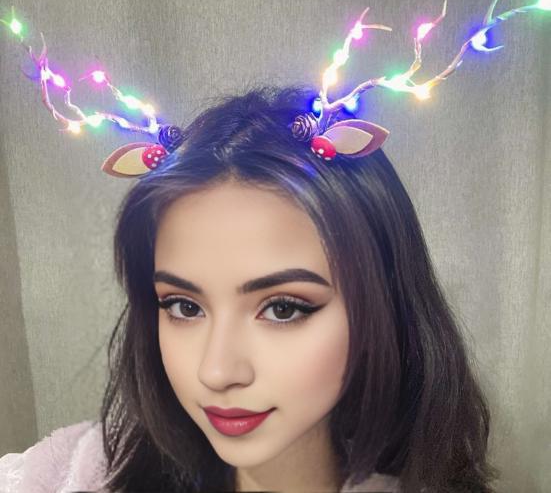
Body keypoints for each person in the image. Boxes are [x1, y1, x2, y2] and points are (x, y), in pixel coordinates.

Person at [0, 85, 499, 492]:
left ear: (384, 304)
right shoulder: (63, 477)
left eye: (282, 309)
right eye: (183, 306)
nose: (216, 371)